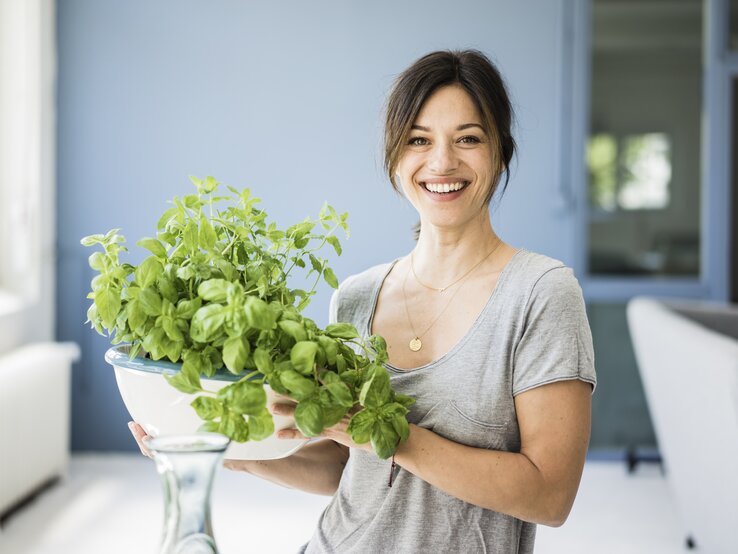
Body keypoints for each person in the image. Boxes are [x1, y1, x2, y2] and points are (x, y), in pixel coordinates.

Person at [130, 49, 596, 553]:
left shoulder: (541, 293)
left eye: (468, 139)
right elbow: (346, 467)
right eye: (419, 140)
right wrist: (228, 452)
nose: (442, 161)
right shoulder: (356, 297)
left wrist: (391, 434)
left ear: (500, 151)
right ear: (395, 157)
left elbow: (551, 494)